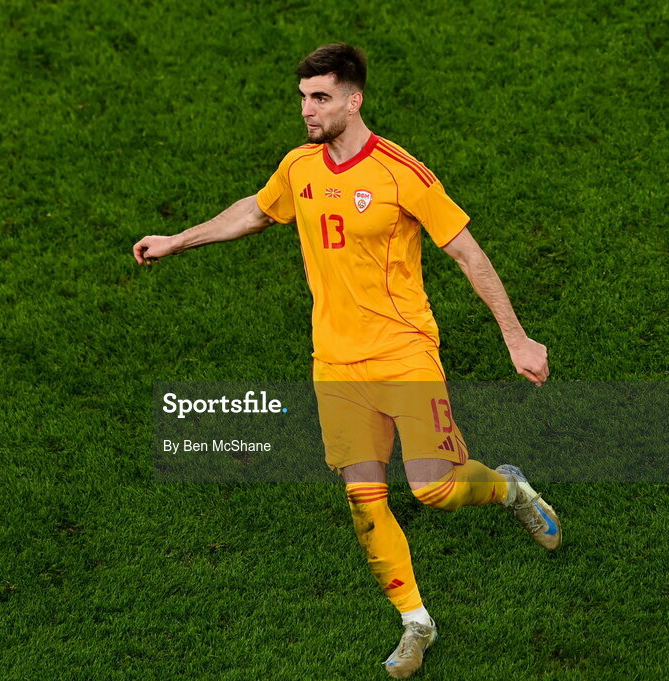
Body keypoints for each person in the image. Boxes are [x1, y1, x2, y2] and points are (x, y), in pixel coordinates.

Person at [132, 43, 560, 680]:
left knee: (434, 488)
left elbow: (469, 256)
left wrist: (517, 338)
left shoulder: (399, 172)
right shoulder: (299, 167)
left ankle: (510, 488)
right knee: (365, 498)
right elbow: (255, 210)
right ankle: (416, 622)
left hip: (403, 352)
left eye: (320, 97)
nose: (307, 109)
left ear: (354, 99)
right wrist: (177, 239)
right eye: (303, 97)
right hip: (334, 362)